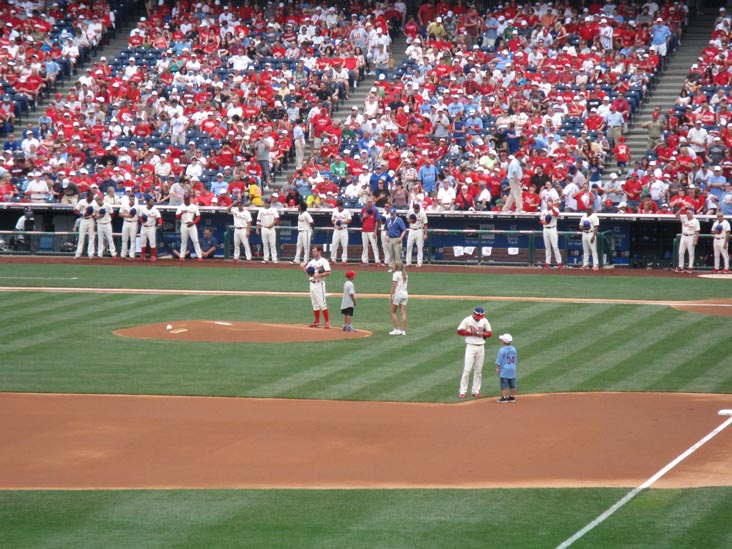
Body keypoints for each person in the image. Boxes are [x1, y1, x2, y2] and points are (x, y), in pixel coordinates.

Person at [455, 306, 492, 399]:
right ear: (474, 314)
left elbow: (489, 333)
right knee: (467, 370)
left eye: (481, 316)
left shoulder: (484, 321)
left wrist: (481, 334)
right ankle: (462, 391)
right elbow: (459, 331)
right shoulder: (467, 320)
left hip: (481, 347)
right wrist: (471, 333)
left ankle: (476, 391)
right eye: (478, 316)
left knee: (478, 371)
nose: (479, 318)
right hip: (470, 347)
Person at [303, 246, 331, 328]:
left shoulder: (324, 261)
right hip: (311, 284)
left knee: (322, 303)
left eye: (315, 251)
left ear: (319, 252)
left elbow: (328, 272)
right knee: (314, 304)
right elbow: (307, 272)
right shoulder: (311, 262)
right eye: (313, 251)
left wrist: (318, 275)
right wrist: (303, 267)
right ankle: (317, 322)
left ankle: (327, 322)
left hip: (319, 284)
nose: (313, 253)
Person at [175, 193, 204, 261]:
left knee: (195, 241)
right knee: (184, 241)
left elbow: (198, 216)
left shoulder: (194, 206)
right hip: (184, 224)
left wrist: (193, 222)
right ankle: (182, 256)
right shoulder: (180, 207)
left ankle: (199, 256)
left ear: (190, 199)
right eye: (185, 199)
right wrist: (182, 212)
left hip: (192, 224)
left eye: (188, 199)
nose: (187, 200)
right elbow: (177, 216)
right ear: (184, 199)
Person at [675, 207, 700, 273]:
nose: (687, 214)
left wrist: (695, 240)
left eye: (688, 213)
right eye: (686, 213)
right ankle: (680, 266)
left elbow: (697, 231)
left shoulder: (695, 221)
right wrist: (681, 209)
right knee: (681, 252)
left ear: (692, 213)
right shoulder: (684, 218)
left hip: (691, 236)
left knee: (691, 253)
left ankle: (690, 267)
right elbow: (676, 215)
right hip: (683, 236)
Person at [92, 193, 117, 259]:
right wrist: (98, 216)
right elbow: (94, 216)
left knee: (110, 239)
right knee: (100, 239)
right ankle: (100, 254)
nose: (98, 202)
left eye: (99, 200)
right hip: (99, 223)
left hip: (107, 223)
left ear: (102, 200)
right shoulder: (95, 206)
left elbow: (112, 214)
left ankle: (113, 254)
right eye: (97, 201)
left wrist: (108, 219)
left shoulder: (107, 205)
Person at [540, 198, 562, 269]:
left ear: (552, 203)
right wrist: (544, 222)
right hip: (545, 229)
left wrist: (551, 207)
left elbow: (556, 215)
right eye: (548, 202)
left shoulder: (555, 209)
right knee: (547, 247)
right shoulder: (544, 211)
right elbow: (541, 220)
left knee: (555, 247)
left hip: (553, 228)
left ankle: (559, 263)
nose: (549, 204)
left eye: (550, 202)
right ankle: (547, 263)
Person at [495, 333, 517, 403]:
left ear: (504, 341)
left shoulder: (502, 350)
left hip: (504, 370)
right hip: (512, 370)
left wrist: (498, 369)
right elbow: (515, 360)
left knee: (504, 385)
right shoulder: (514, 349)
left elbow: (499, 361)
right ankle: (512, 397)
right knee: (512, 385)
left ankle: (504, 398)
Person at [256, 197, 280, 263]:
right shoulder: (261, 210)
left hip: (271, 228)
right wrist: (257, 229)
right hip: (263, 228)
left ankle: (274, 259)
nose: (268, 204)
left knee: (273, 244)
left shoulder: (273, 210)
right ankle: (266, 259)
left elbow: (277, 219)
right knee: (265, 244)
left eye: (269, 203)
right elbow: (258, 220)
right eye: (267, 203)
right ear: (264, 203)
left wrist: (272, 224)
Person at [139, 197, 162, 261]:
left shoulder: (155, 210)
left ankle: (153, 256)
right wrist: (142, 221)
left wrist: (160, 223)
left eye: (153, 201)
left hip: (151, 227)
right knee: (143, 241)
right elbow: (139, 216)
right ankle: (143, 256)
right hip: (144, 226)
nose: (153, 202)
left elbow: (159, 218)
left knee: (152, 242)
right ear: (148, 202)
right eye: (151, 201)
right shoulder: (143, 209)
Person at [74, 192, 96, 259]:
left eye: (92, 197)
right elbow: (76, 210)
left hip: (91, 219)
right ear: (87, 196)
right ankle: (78, 254)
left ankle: (90, 254)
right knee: (81, 237)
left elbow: (97, 211)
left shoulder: (94, 202)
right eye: (91, 197)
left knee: (91, 237)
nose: (92, 198)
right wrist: (82, 215)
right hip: (83, 219)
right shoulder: (82, 201)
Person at [405, 202, 428, 267]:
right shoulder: (410, 211)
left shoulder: (423, 213)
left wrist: (425, 234)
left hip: (419, 229)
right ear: (414, 208)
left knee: (419, 247)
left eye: (417, 209)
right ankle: (408, 262)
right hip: (412, 229)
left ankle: (419, 262)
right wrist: (410, 221)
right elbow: (407, 218)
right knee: (409, 246)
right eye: (415, 209)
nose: (416, 210)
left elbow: (425, 224)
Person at [389, 261, 408, 335]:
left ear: (396, 267)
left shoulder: (395, 274)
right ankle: (403, 331)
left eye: (394, 265)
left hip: (398, 295)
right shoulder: (405, 274)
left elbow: (394, 285)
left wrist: (391, 295)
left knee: (392, 312)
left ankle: (397, 329)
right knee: (403, 312)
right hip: (405, 294)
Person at [330, 199, 352, 264]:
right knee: (334, 244)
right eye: (338, 206)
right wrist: (335, 223)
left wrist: (342, 222)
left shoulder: (346, 211)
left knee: (344, 245)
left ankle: (344, 260)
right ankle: (333, 259)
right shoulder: (335, 211)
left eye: (340, 206)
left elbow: (350, 220)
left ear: (342, 206)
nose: (339, 207)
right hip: (336, 229)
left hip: (343, 229)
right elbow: (332, 220)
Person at [578, 205, 600, 270]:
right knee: (585, 250)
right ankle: (585, 264)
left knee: (593, 250)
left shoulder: (595, 217)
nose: (587, 210)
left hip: (591, 233)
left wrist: (593, 236)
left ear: (592, 210)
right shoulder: (584, 216)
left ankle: (595, 265)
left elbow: (596, 227)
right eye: (587, 209)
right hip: (584, 233)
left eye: (589, 209)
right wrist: (584, 228)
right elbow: (580, 225)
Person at [359, 199, 380, 265]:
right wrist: (364, 217)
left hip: (372, 230)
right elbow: (361, 220)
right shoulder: (363, 209)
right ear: (366, 202)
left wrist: (375, 231)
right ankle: (364, 260)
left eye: (370, 202)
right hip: (364, 230)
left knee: (374, 246)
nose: (369, 203)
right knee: (365, 246)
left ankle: (377, 261)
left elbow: (377, 221)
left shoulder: (375, 210)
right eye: (368, 202)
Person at [119, 194, 139, 260]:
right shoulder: (124, 205)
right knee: (124, 239)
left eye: (133, 199)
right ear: (129, 199)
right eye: (131, 199)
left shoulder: (137, 207)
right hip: (126, 222)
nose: (132, 200)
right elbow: (120, 214)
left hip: (134, 222)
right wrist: (128, 215)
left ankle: (132, 255)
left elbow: (139, 216)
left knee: (133, 239)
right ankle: (123, 255)